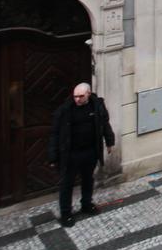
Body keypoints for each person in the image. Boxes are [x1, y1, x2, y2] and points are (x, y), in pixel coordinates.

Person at [47, 82, 115, 228]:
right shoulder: (65, 110)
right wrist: (53, 157)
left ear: (88, 94)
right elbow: (55, 134)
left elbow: (105, 124)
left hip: (90, 151)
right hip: (70, 154)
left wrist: (109, 142)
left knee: (87, 179)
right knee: (67, 184)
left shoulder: (97, 106)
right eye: (75, 96)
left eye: (80, 96)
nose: (77, 99)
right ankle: (66, 213)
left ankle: (86, 204)